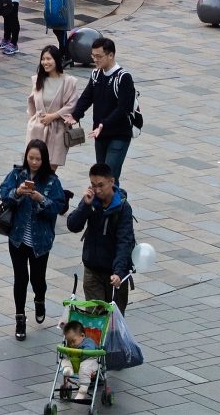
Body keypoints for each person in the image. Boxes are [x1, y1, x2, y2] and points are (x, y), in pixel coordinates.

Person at [0, 139, 69, 339]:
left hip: (40, 241)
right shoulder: (17, 175)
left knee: (38, 279)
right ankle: (20, 319)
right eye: (31, 158)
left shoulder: (52, 181)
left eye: (38, 159)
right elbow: (4, 193)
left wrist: (41, 200)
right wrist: (17, 192)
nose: (34, 162)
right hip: (18, 238)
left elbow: (58, 207)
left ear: (44, 159)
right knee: (20, 279)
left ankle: (40, 299)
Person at [67, 160, 136, 311]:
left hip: (115, 275)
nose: (97, 190)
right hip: (93, 270)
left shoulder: (123, 208)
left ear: (112, 181)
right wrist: (85, 206)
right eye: (93, 184)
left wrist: (118, 272)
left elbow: (124, 242)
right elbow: (73, 225)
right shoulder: (90, 201)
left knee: (114, 322)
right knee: (94, 321)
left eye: (101, 185)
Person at [66, 35, 137, 180]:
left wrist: (103, 124)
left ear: (111, 55)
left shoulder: (123, 78)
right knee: (100, 177)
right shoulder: (96, 74)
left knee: (109, 177)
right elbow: (86, 97)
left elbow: (124, 108)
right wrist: (75, 115)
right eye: (93, 56)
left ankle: (117, 203)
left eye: (99, 56)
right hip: (100, 135)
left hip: (118, 135)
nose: (95, 59)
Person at [27, 45, 84, 170]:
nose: (45, 62)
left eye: (49, 59)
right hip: (38, 129)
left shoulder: (68, 82)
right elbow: (31, 101)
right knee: (34, 167)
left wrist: (54, 116)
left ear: (56, 60)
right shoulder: (37, 80)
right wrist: (33, 119)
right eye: (43, 59)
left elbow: (72, 104)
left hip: (57, 130)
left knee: (50, 170)